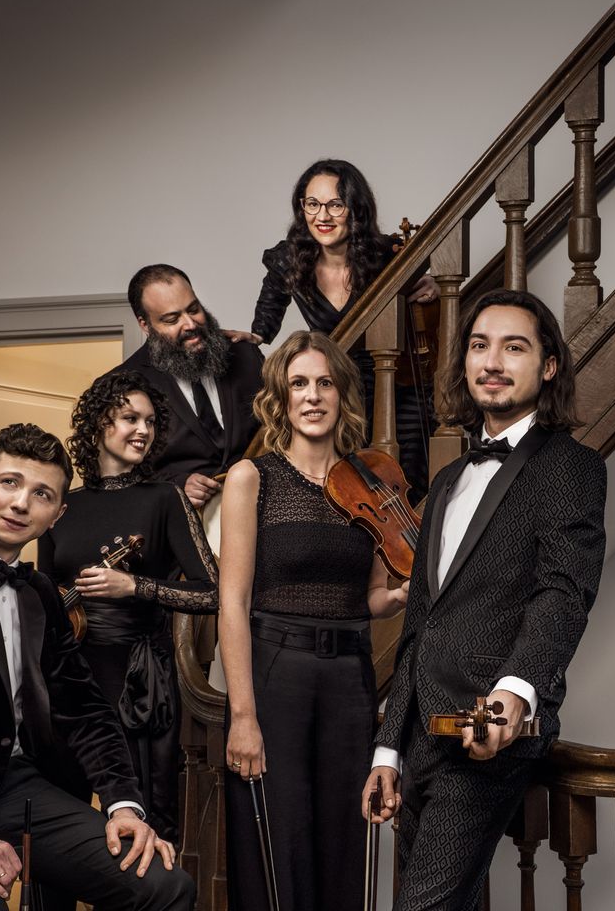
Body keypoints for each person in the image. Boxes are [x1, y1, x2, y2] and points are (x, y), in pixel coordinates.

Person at [360, 288, 607, 911]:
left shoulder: (570, 466)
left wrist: (516, 690)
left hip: (488, 726)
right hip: (422, 733)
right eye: (479, 346)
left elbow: (563, 591)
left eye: (513, 347)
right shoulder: (447, 479)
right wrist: (389, 747)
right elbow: (422, 624)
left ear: (548, 366)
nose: (492, 362)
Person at [0, 424, 193, 910]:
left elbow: (84, 706)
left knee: (166, 884)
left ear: (58, 515)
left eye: (41, 494)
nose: (20, 503)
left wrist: (123, 805)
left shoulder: (41, 592)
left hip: (21, 788)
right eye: (9, 482)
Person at [219, 330, 410, 909]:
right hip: (276, 674)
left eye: (325, 383)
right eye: (298, 383)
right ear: (281, 397)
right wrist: (243, 715)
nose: (312, 395)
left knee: (345, 841)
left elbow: (369, 597)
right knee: (278, 843)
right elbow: (233, 603)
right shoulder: (253, 477)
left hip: (350, 678)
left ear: (342, 394)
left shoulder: (371, 481)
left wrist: (398, 598)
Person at [39, 369, 219, 843]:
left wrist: (135, 586)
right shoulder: (62, 506)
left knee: (145, 822)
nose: (144, 430)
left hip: (138, 683)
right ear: (99, 423)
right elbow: (43, 600)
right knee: (63, 818)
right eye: (130, 418)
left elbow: (213, 593)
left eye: (151, 421)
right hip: (69, 680)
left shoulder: (165, 498)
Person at [251, 159, 436, 492]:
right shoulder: (289, 258)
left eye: (335, 204)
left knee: (410, 477)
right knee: (351, 485)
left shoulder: (386, 254)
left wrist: (433, 286)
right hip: (338, 387)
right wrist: (255, 335)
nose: (322, 216)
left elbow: (423, 289)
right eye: (312, 204)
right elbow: (268, 312)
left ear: (356, 209)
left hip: (394, 382)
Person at [115, 263, 265, 507]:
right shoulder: (123, 383)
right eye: (172, 319)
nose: (190, 324)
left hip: (264, 508)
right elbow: (118, 473)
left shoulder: (246, 356)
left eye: (194, 309)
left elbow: (281, 428)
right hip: (182, 523)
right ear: (145, 325)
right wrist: (175, 485)